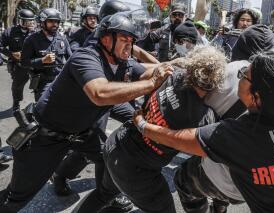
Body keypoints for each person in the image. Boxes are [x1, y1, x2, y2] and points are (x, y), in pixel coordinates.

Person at [0, 12, 172, 213]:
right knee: (17, 197)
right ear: (107, 38)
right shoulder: (86, 57)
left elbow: (151, 69)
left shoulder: (121, 61)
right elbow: (100, 93)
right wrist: (152, 83)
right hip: (45, 138)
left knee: (108, 155)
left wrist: (176, 66)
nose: (130, 46)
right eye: (125, 39)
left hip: (80, 133)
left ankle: (106, 195)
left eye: (132, 41)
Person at [133, 51, 274, 213]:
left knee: (184, 179)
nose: (239, 77)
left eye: (243, 76)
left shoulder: (238, 135)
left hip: (231, 186)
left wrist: (141, 123)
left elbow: (175, 138)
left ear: (256, 97)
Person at [75, 45, 226, 213]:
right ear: (216, 82)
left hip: (116, 144)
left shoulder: (171, 75)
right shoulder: (204, 118)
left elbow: (146, 75)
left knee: (104, 194)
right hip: (137, 169)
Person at [21, 8, 72, 101]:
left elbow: (71, 59)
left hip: (61, 79)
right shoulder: (31, 40)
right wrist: (43, 60)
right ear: (42, 22)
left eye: (57, 22)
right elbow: (24, 62)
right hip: (43, 82)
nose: (55, 24)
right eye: (51, 21)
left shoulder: (62, 39)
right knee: (42, 108)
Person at [0, 9, 36, 111]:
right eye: (25, 21)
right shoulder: (10, 32)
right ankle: (16, 103)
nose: (28, 24)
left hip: (34, 62)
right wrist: (12, 54)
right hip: (19, 65)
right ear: (20, 21)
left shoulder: (36, 32)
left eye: (30, 21)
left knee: (39, 82)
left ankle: (40, 102)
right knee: (17, 85)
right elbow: (1, 46)